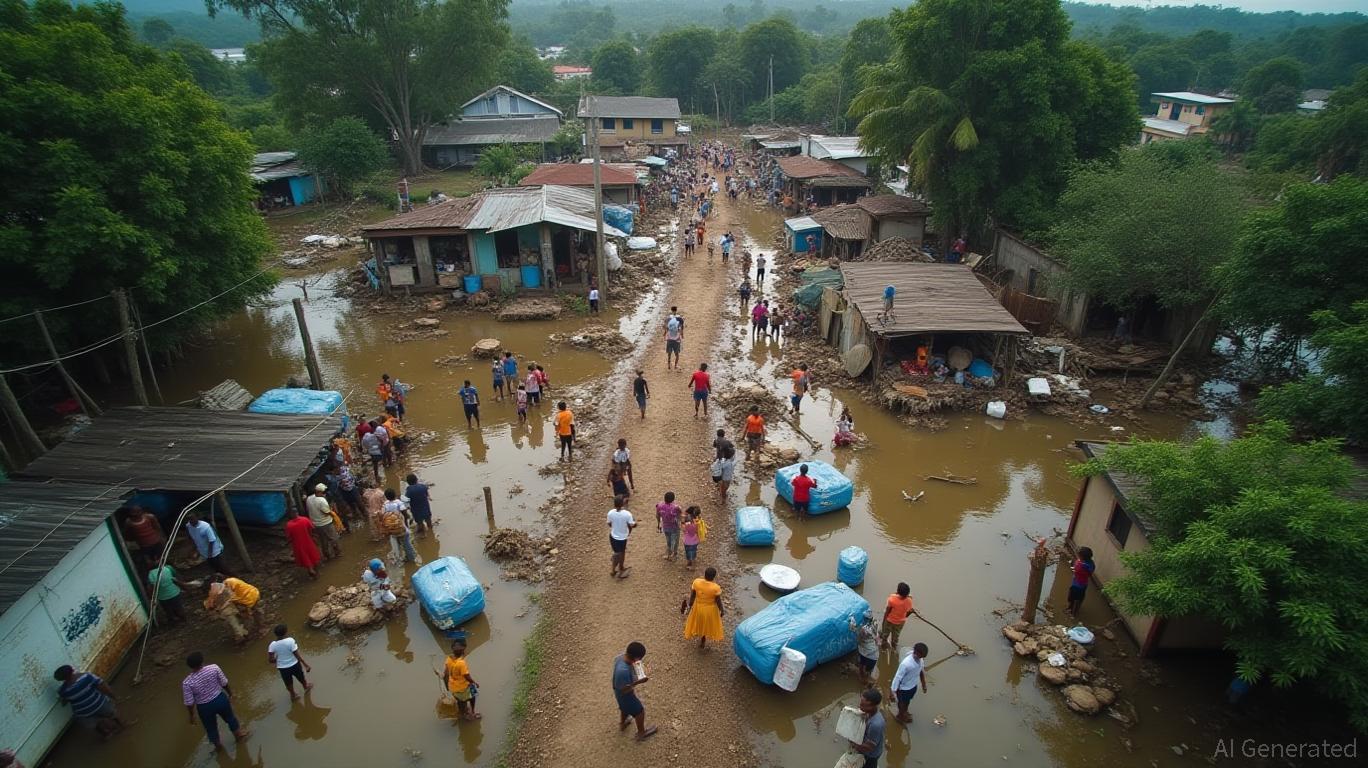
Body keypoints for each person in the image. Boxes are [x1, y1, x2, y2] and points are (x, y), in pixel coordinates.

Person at [182, 651, 248, 750]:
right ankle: (238, 735)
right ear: (202, 660)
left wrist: (192, 715)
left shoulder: (187, 682)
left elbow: (189, 702)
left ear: (190, 666)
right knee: (230, 718)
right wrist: (231, 694)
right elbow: (224, 683)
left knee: (211, 728)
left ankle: (218, 747)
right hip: (220, 699)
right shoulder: (214, 668)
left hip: (204, 707)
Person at [54, 664, 125, 739]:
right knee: (112, 713)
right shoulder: (86, 676)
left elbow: (64, 703)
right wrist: (114, 697)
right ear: (72, 670)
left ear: (60, 679)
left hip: (84, 713)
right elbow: (102, 686)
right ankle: (121, 725)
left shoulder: (62, 691)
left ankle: (106, 734)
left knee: (93, 724)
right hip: (99, 704)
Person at [612, 642, 657, 741]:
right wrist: (639, 681)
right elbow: (625, 689)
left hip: (618, 695)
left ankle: (622, 724)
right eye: (640, 659)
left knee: (624, 708)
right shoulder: (623, 671)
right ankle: (641, 733)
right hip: (625, 695)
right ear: (636, 658)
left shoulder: (620, 657)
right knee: (639, 711)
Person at [681, 566, 725, 648]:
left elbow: (693, 595)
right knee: (706, 624)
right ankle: (703, 639)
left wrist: (690, 605)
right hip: (710, 610)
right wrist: (722, 610)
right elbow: (718, 601)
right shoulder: (715, 588)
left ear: (704, 574)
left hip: (698, 607)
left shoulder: (697, 582)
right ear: (714, 577)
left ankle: (697, 632)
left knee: (698, 621)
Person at [267, 624, 313, 701]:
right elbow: (296, 654)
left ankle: (293, 695)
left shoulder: (272, 645)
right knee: (301, 677)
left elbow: (270, 660)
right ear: (285, 632)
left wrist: (277, 658)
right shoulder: (290, 641)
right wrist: (305, 665)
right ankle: (306, 687)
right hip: (294, 664)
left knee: (288, 682)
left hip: (283, 668)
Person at [889, 642, 929, 724]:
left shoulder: (920, 660)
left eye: (923, 657)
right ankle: (900, 716)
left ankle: (904, 711)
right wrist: (893, 691)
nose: (922, 658)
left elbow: (921, 671)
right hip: (903, 688)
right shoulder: (906, 664)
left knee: (907, 701)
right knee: (901, 703)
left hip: (913, 686)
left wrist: (924, 684)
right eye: (921, 656)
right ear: (916, 652)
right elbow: (897, 677)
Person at [443, 640, 481, 721]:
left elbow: (445, 674)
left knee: (460, 701)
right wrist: (474, 682)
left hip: (453, 687)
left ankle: (462, 712)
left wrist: (447, 687)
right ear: (463, 651)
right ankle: (471, 713)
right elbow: (467, 676)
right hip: (463, 687)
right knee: (472, 697)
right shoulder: (461, 663)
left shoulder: (449, 659)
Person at [850, 689, 887, 767]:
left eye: (863, 705)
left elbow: (869, 747)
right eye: (860, 703)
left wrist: (853, 744)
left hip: (871, 755)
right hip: (867, 746)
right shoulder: (869, 713)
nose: (860, 707)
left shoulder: (875, 724)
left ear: (872, 706)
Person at [121, 505, 164, 571]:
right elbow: (127, 535)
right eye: (133, 515)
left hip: (156, 542)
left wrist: (161, 538)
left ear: (141, 512)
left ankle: (164, 570)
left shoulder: (150, 517)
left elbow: (157, 528)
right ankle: (153, 572)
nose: (136, 516)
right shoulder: (129, 522)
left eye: (137, 513)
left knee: (161, 558)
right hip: (144, 546)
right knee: (149, 562)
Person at [305, 483, 341, 560]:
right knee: (333, 538)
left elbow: (308, 510)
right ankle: (337, 553)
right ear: (319, 492)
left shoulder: (309, 499)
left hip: (316, 524)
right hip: (326, 523)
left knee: (323, 540)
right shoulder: (321, 500)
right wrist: (335, 516)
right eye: (324, 492)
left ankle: (327, 555)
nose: (325, 494)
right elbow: (327, 512)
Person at [283, 508, 322, 579]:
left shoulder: (289, 525)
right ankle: (316, 572)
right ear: (297, 513)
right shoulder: (305, 519)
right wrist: (313, 537)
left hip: (298, 544)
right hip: (308, 541)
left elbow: (288, 536)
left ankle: (310, 570)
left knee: (304, 557)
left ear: (291, 515)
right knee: (313, 556)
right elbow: (312, 529)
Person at [148, 555, 189, 623]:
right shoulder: (168, 568)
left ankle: (174, 620)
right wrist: (185, 588)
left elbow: (151, 588)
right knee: (179, 609)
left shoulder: (151, 574)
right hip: (174, 593)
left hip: (163, 597)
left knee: (169, 611)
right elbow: (177, 579)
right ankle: (184, 620)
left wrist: (152, 598)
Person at [381, 489, 417, 562]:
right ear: (395, 495)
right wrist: (407, 524)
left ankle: (398, 558)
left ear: (386, 497)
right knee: (406, 543)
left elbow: (383, 516)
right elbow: (406, 515)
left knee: (396, 544)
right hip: (401, 528)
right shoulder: (399, 503)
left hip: (392, 529)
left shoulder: (385, 504)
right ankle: (411, 558)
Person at [607, 495, 636, 579]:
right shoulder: (627, 514)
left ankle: (617, 568)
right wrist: (635, 523)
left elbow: (609, 524)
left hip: (613, 536)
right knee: (620, 553)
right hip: (622, 538)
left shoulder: (610, 513)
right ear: (622, 503)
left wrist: (615, 527)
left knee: (618, 552)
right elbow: (632, 525)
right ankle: (617, 569)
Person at [880, 583, 914, 651]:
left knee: (885, 634)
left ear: (898, 591)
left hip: (889, 621)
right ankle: (894, 648)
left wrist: (883, 622)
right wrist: (906, 615)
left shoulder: (892, 599)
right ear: (907, 594)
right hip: (900, 622)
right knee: (895, 637)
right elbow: (908, 613)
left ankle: (883, 646)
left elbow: (887, 611)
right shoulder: (909, 601)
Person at [849, 611, 879, 687]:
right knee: (868, 670)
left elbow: (855, 631)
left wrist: (852, 620)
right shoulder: (875, 623)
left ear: (865, 619)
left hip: (866, 652)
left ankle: (863, 681)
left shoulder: (864, 629)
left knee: (862, 667)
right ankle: (866, 680)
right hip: (874, 653)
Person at [1068, 547, 1095, 617]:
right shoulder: (1090, 563)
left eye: (1079, 555)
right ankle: (1071, 609)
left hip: (1078, 585)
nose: (1078, 557)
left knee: (1075, 599)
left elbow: (1077, 570)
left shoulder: (1082, 565)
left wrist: (1073, 566)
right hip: (1080, 583)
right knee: (1075, 597)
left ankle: (1073, 613)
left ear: (1082, 557)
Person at [656, 491, 681, 561]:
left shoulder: (659, 506)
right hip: (674, 527)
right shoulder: (676, 507)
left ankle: (669, 554)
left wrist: (658, 523)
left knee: (668, 541)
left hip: (666, 527)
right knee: (675, 541)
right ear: (673, 499)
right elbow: (680, 515)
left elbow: (657, 515)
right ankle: (674, 555)